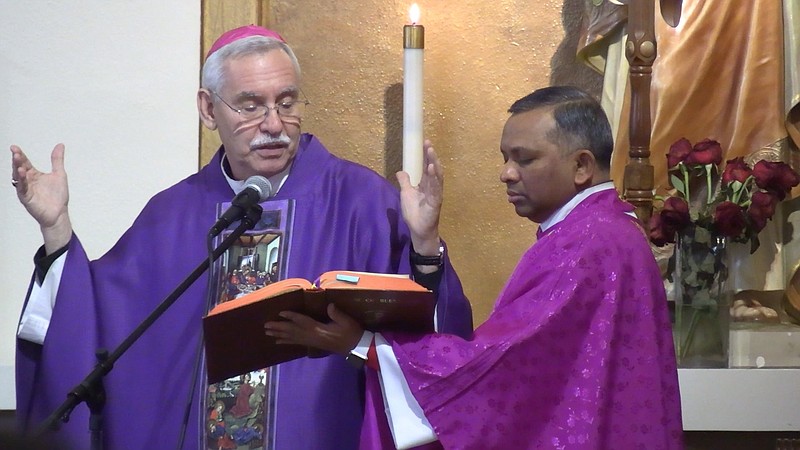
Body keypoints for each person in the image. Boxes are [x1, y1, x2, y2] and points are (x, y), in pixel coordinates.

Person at [11, 25, 473, 449]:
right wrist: (56, 229)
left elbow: (437, 354)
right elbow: (95, 321)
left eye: (287, 103)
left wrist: (425, 246)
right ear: (208, 110)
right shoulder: (172, 214)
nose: (273, 124)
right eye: (250, 106)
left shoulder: (363, 201)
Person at [265, 86, 684, 449]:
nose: (505, 173)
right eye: (505, 157)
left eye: (524, 159)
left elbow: (500, 371)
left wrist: (366, 345)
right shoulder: (606, 229)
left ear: (581, 166)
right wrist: (425, 240)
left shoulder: (587, 245)